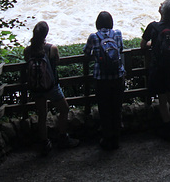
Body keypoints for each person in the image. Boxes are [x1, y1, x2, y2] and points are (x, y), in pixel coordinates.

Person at [24, 21, 79, 155]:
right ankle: (62, 138)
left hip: (37, 88)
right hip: (51, 87)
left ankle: (44, 143)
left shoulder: (27, 51)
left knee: (42, 114)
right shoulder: (51, 49)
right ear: (46, 34)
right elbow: (57, 61)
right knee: (64, 109)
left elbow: (27, 63)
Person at [141, 0, 170, 142]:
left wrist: (151, 43)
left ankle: (167, 130)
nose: (159, 4)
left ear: (162, 11)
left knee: (162, 100)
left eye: (161, 4)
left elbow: (143, 45)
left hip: (158, 68)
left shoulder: (153, 27)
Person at [83, 11, 125, 150]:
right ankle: (117, 138)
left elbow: (86, 52)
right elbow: (120, 49)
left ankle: (107, 139)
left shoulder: (94, 37)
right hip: (118, 76)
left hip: (101, 78)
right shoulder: (117, 33)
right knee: (116, 107)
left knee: (105, 109)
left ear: (97, 24)